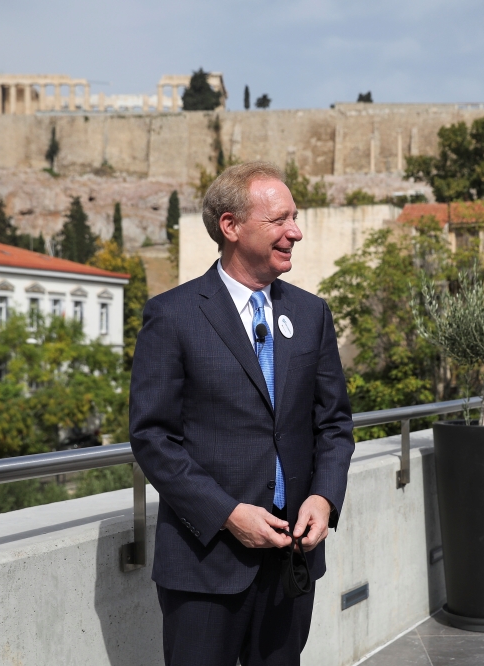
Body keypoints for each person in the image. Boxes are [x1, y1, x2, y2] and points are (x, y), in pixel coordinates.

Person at [129, 161, 355, 666]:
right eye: (279, 220)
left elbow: (334, 424)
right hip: (205, 566)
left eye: (294, 218)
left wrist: (323, 497)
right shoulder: (173, 316)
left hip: (291, 561)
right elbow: (152, 438)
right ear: (230, 226)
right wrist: (228, 515)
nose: (295, 232)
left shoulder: (311, 314)